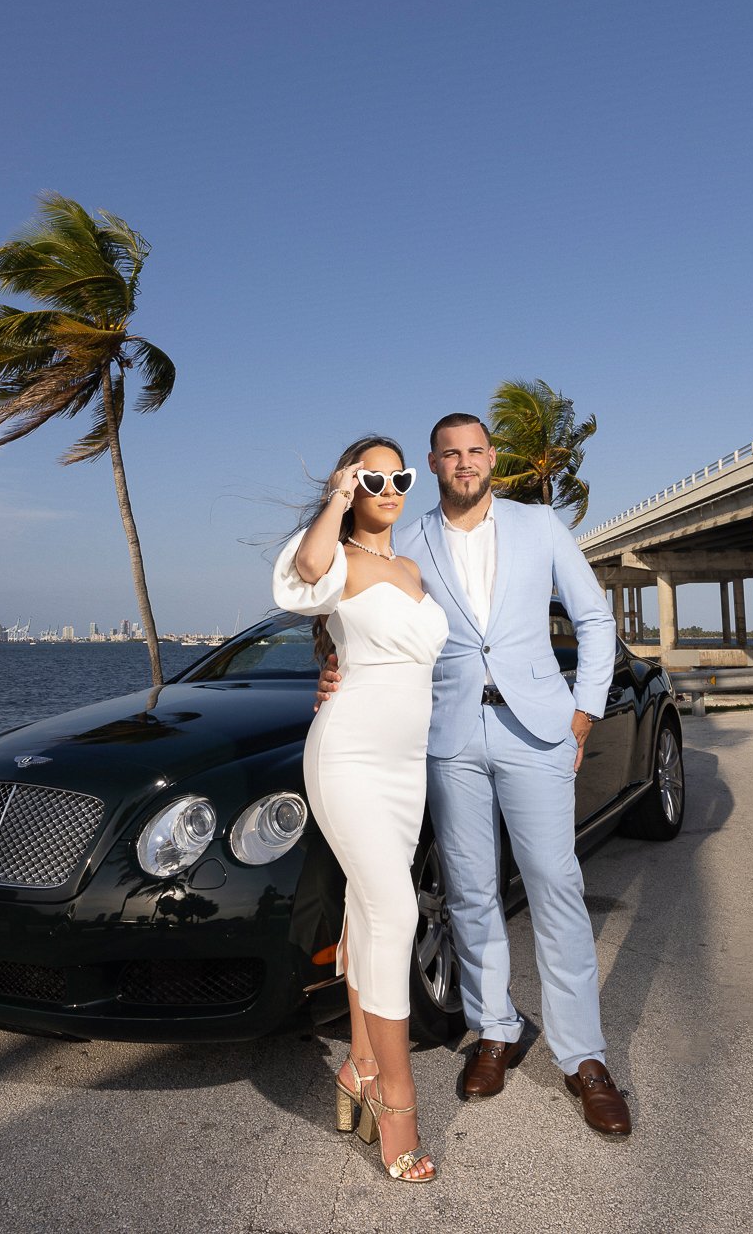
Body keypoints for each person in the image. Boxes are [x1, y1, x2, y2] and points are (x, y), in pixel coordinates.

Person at [319, 412, 633, 1138]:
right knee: (468, 890)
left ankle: (584, 1057)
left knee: (555, 885)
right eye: (450, 454)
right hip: (450, 734)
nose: (464, 464)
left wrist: (583, 712)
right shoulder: (411, 538)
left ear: (493, 459)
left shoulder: (541, 526)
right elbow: (359, 603)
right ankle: (496, 1030)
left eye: (475, 452)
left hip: (537, 732)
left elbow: (593, 619)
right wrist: (331, 666)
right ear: (433, 464)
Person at [274, 435, 449, 1184]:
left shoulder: (410, 568)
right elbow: (304, 573)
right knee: (397, 911)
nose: (388, 486)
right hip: (345, 756)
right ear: (352, 482)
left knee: (369, 912)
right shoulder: (336, 558)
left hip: (405, 768)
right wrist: (337, 497)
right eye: (372, 475)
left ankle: (356, 1069)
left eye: (397, 476)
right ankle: (397, 1100)